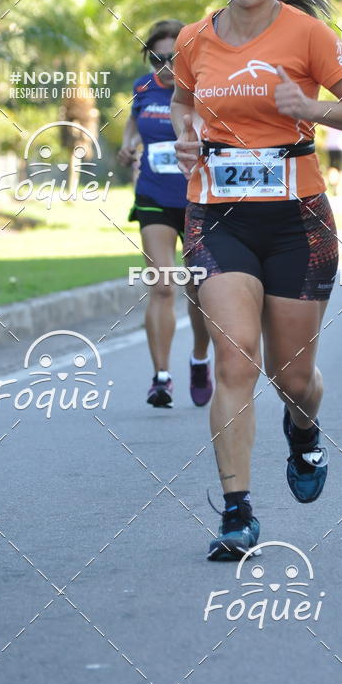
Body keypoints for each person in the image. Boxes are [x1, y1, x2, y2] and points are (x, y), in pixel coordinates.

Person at [171, 0, 342, 560]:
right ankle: (237, 512)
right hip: (217, 216)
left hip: (298, 221)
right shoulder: (192, 40)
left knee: (295, 377)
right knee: (237, 359)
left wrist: (312, 108)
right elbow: (183, 98)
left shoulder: (309, 35)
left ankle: (304, 425)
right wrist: (184, 131)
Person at [118, 20, 213, 409]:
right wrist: (127, 146)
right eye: (156, 58)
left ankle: (199, 359)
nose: (165, 65)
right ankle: (161, 378)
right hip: (154, 198)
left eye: (173, 57)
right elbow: (131, 123)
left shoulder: (204, 89)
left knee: (199, 290)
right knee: (162, 285)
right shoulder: (143, 88)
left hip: (197, 200)